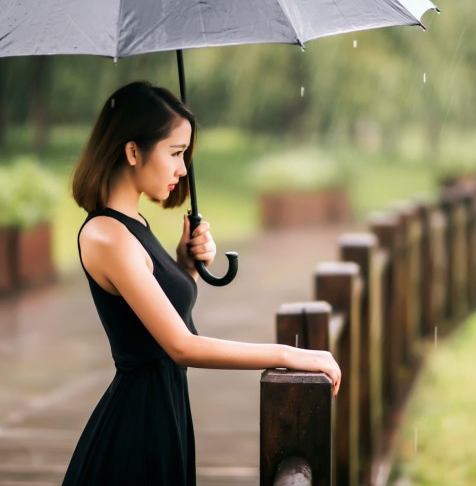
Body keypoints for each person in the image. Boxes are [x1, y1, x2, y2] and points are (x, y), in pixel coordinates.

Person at [63, 81, 341, 485]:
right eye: (176, 153)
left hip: (163, 413)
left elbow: (156, 319)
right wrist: (289, 354)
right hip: (136, 430)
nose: (181, 168)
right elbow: (180, 346)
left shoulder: (133, 225)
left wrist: (185, 266)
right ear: (133, 150)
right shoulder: (106, 236)